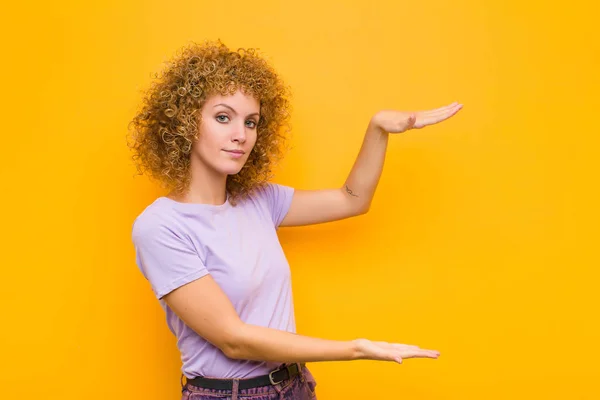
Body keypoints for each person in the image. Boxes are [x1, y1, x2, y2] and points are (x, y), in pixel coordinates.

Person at [128, 39, 462, 400]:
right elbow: (233, 339)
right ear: (185, 123)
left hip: (294, 386)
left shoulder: (258, 200)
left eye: (251, 122)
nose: (241, 135)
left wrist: (377, 129)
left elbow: (352, 199)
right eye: (223, 117)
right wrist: (355, 349)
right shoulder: (161, 226)